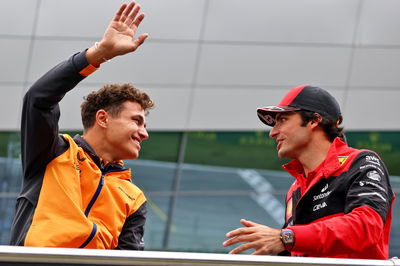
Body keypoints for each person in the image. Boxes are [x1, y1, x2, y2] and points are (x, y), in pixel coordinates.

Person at [9, 1, 154, 249]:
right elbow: (39, 100)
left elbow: (129, 261)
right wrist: (99, 54)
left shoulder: (134, 198)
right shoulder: (54, 153)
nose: (144, 133)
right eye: (136, 121)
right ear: (103, 118)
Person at [223, 85, 395, 259]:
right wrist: (275, 249)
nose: (273, 132)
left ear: (313, 121)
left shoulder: (360, 162)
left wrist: (285, 238)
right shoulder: (295, 189)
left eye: (282, 120)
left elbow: (366, 228)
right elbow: (300, 248)